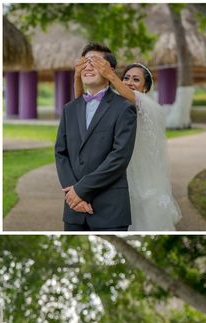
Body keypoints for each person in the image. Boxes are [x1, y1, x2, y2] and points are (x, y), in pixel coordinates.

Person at [72, 57, 181, 231]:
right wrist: (78, 77)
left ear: (145, 87)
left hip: (142, 174)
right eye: (127, 78)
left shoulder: (150, 106)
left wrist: (110, 75)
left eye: (136, 79)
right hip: (117, 168)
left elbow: (133, 99)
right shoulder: (114, 103)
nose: (130, 82)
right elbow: (79, 105)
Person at [55, 43, 138, 231]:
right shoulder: (69, 109)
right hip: (73, 209)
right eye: (84, 62)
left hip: (110, 210)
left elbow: (120, 157)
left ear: (110, 70)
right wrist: (72, 194)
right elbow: (61, 152)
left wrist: (81, 190)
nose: (88, 67)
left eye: (95, 62)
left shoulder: (124, 109)